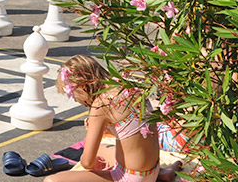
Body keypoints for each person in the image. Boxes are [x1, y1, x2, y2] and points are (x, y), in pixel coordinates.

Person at [45, 55, 182, 182]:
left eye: (73, 94)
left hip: (131, 178)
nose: (75, 100)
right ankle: (163, 173)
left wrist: (92, 164)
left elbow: (87, 163)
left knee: (51, 181)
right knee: (102, 149)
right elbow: (132, 133)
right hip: (153, 169)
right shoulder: (127, 87)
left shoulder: (101, 104)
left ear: (82, 85)